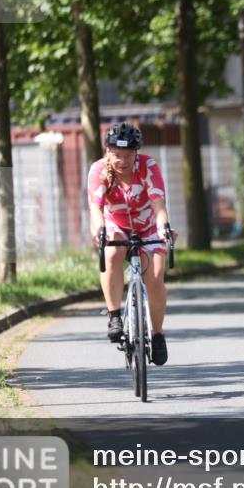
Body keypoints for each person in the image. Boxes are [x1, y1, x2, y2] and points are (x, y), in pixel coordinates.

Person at [88, 122, 176, 364]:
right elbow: (95, 208)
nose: (122, 161)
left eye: (128, 156)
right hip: (115, 225)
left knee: (156, 275)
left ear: (137, 153)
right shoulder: (97, 171)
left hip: (147, 226)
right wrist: (100, 230)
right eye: (117, 155)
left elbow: (159, 205)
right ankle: (114, 314)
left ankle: (157, 335)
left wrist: (164, 228)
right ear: (107, 151)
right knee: (111, 252)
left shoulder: (148, 167)